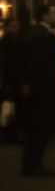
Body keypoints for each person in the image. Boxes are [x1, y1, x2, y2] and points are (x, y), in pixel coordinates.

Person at [18, 4, 55, 176]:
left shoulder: (33, 34)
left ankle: (30, 163)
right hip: (43, 88)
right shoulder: (44, 36)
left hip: (36, 88)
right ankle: (34, 164)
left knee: (34, 128)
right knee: (41, 127)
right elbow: (44, 64)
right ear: (45, 16)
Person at [0, 15, 23, 144]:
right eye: (14, 26)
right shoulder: (10, 42)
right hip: (10, 80)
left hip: (8, 80)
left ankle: (8, 134)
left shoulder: (6, 41)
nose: (16, 29)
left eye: (17, 26)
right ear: (7, 27)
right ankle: (10, 135)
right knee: (11, 107)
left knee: (9, 107)